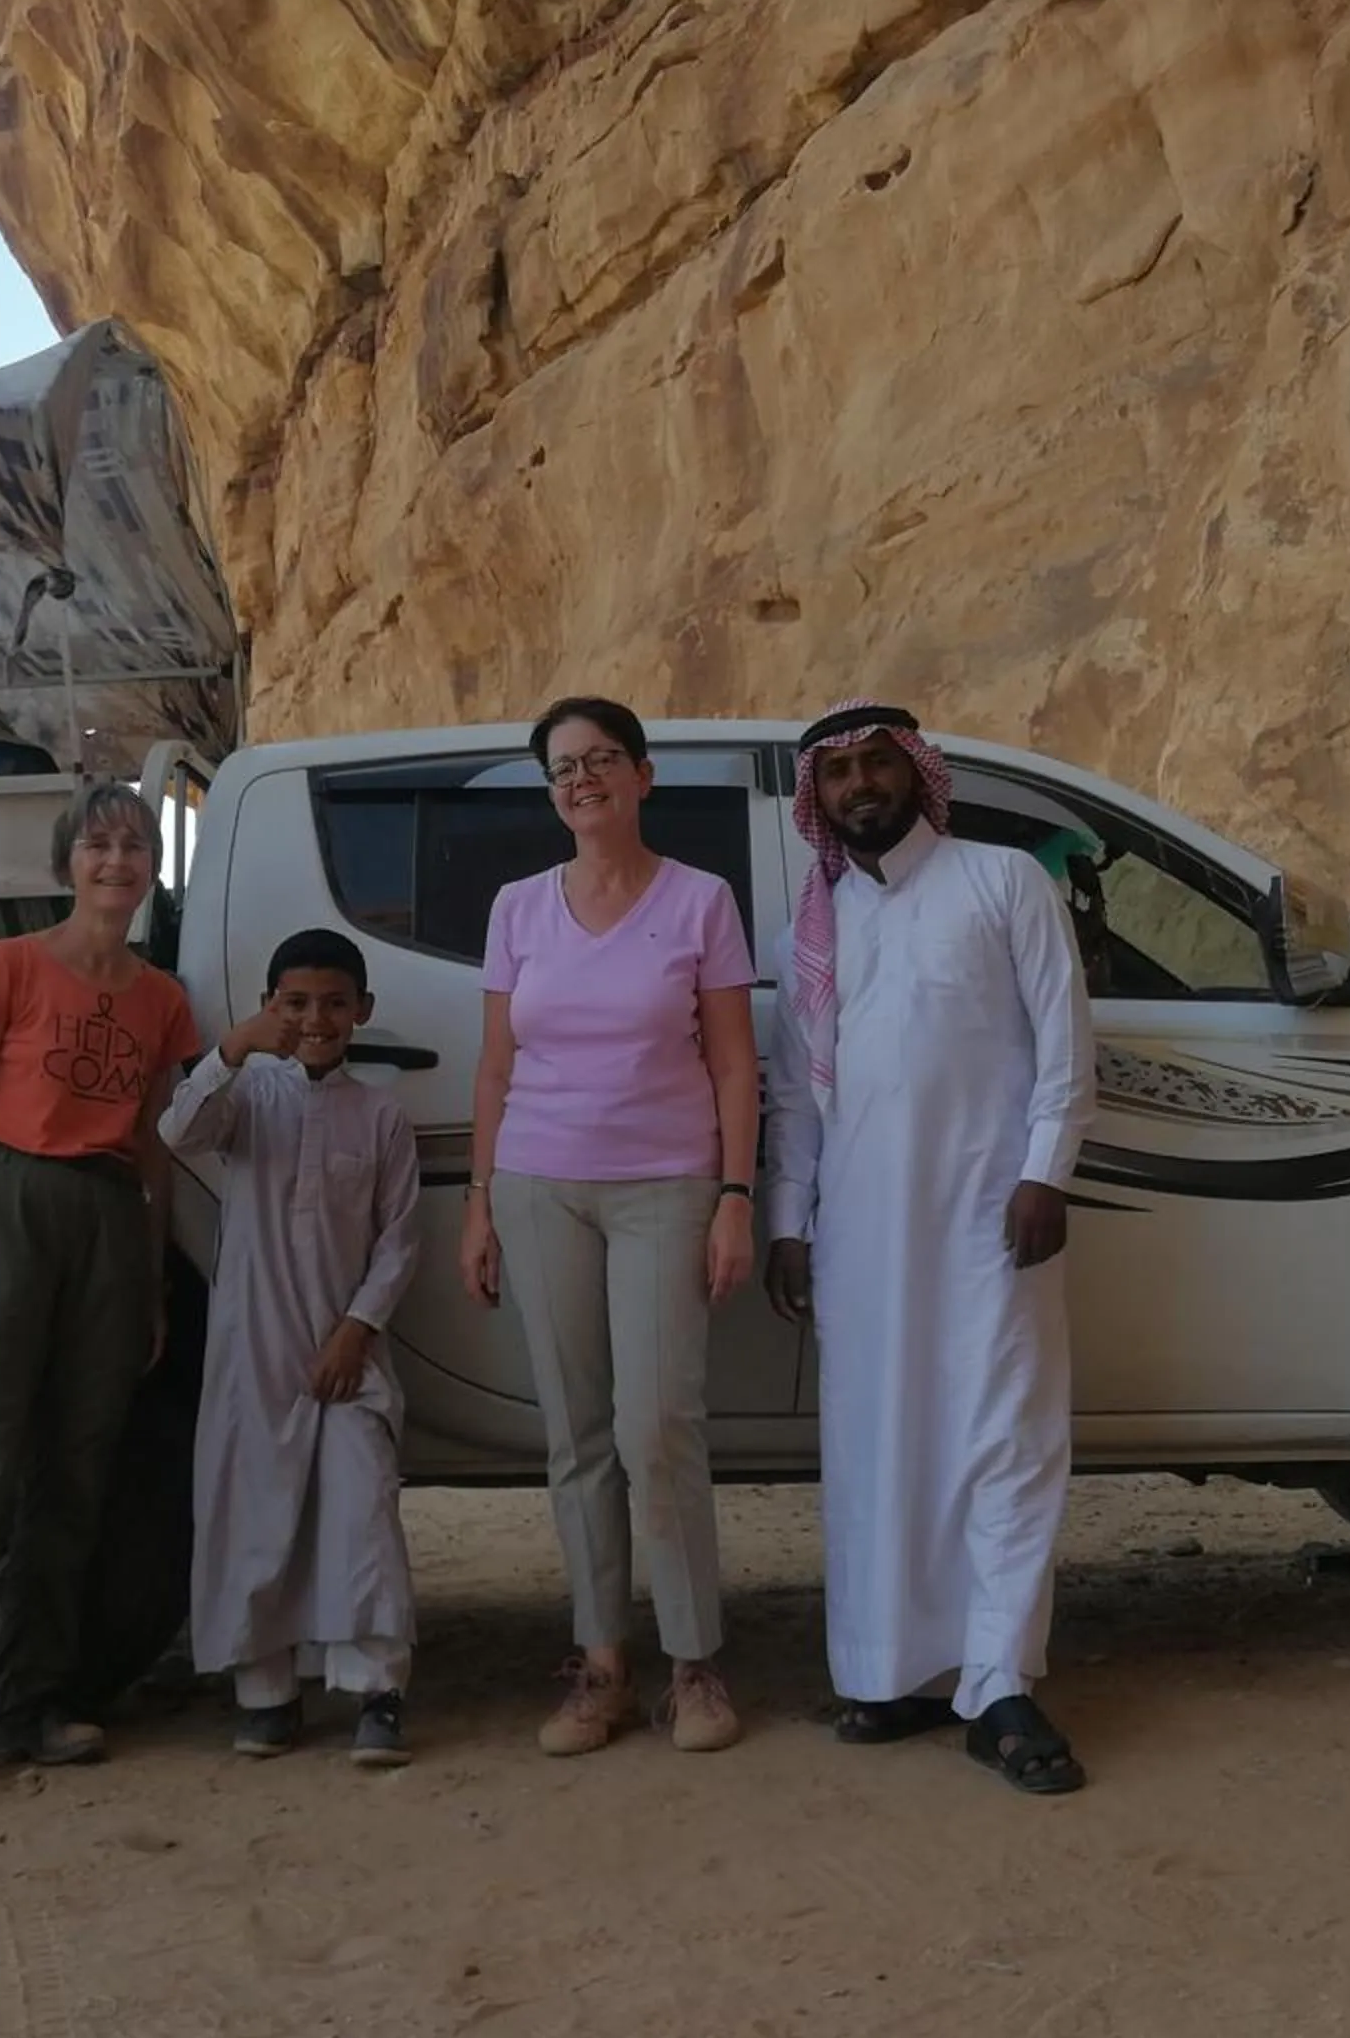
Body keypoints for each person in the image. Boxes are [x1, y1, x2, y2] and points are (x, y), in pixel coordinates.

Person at [762, 701, 1098, 1796]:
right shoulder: (814, 923)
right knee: (879, 1452)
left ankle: (997, 1682)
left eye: (878, 765)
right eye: (842, 773)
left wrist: (1047, 1171)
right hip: (859, 1233)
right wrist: (788, 1224)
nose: (862, 786)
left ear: (917, 773)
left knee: (1005, 1438)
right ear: (819, 796)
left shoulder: (1003, 880)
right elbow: (795, 1101)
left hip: (991, 1220)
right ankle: (892, 1671)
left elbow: (1063, 1038)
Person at [0, 781, 199, 1804]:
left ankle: (34, 1699)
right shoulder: (7, 968)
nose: (117, 863)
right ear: (68, 863)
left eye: (135, 847)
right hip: (7, 1205)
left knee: (75, 1474)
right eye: (99, 846)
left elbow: (149, 1148)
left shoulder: (161, 1000)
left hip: (105, 1213)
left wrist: (145, 1284)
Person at [461, 697, 761, 1756]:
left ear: (642, 775)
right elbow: (496, 1066)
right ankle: (601, 1666)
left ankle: (694, 1663)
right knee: (577, 1436)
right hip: (540, 1187)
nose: (579, 781)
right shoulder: (518, 908)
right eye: (560, 769)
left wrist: (736, 1196)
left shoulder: (700, 902)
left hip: (666, 1190)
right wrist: (478, 1204)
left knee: (658, 1426)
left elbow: (734, 1062)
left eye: (598, 761)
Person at [160, 930, 425, 1766]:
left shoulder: (380, 1111)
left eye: (335, 1004)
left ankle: (378, 1692)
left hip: (347, 1350)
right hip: (256, 1347)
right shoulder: (248, 1098)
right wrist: (234, 1048)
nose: (317, 1020)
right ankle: (265, 1694)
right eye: (297, 1004)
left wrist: (357, 1330)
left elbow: (400, 1238)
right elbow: (179, 1133)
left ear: (363, 1012)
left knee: (361, 1510)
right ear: (274, 1007)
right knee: (256, 1509)